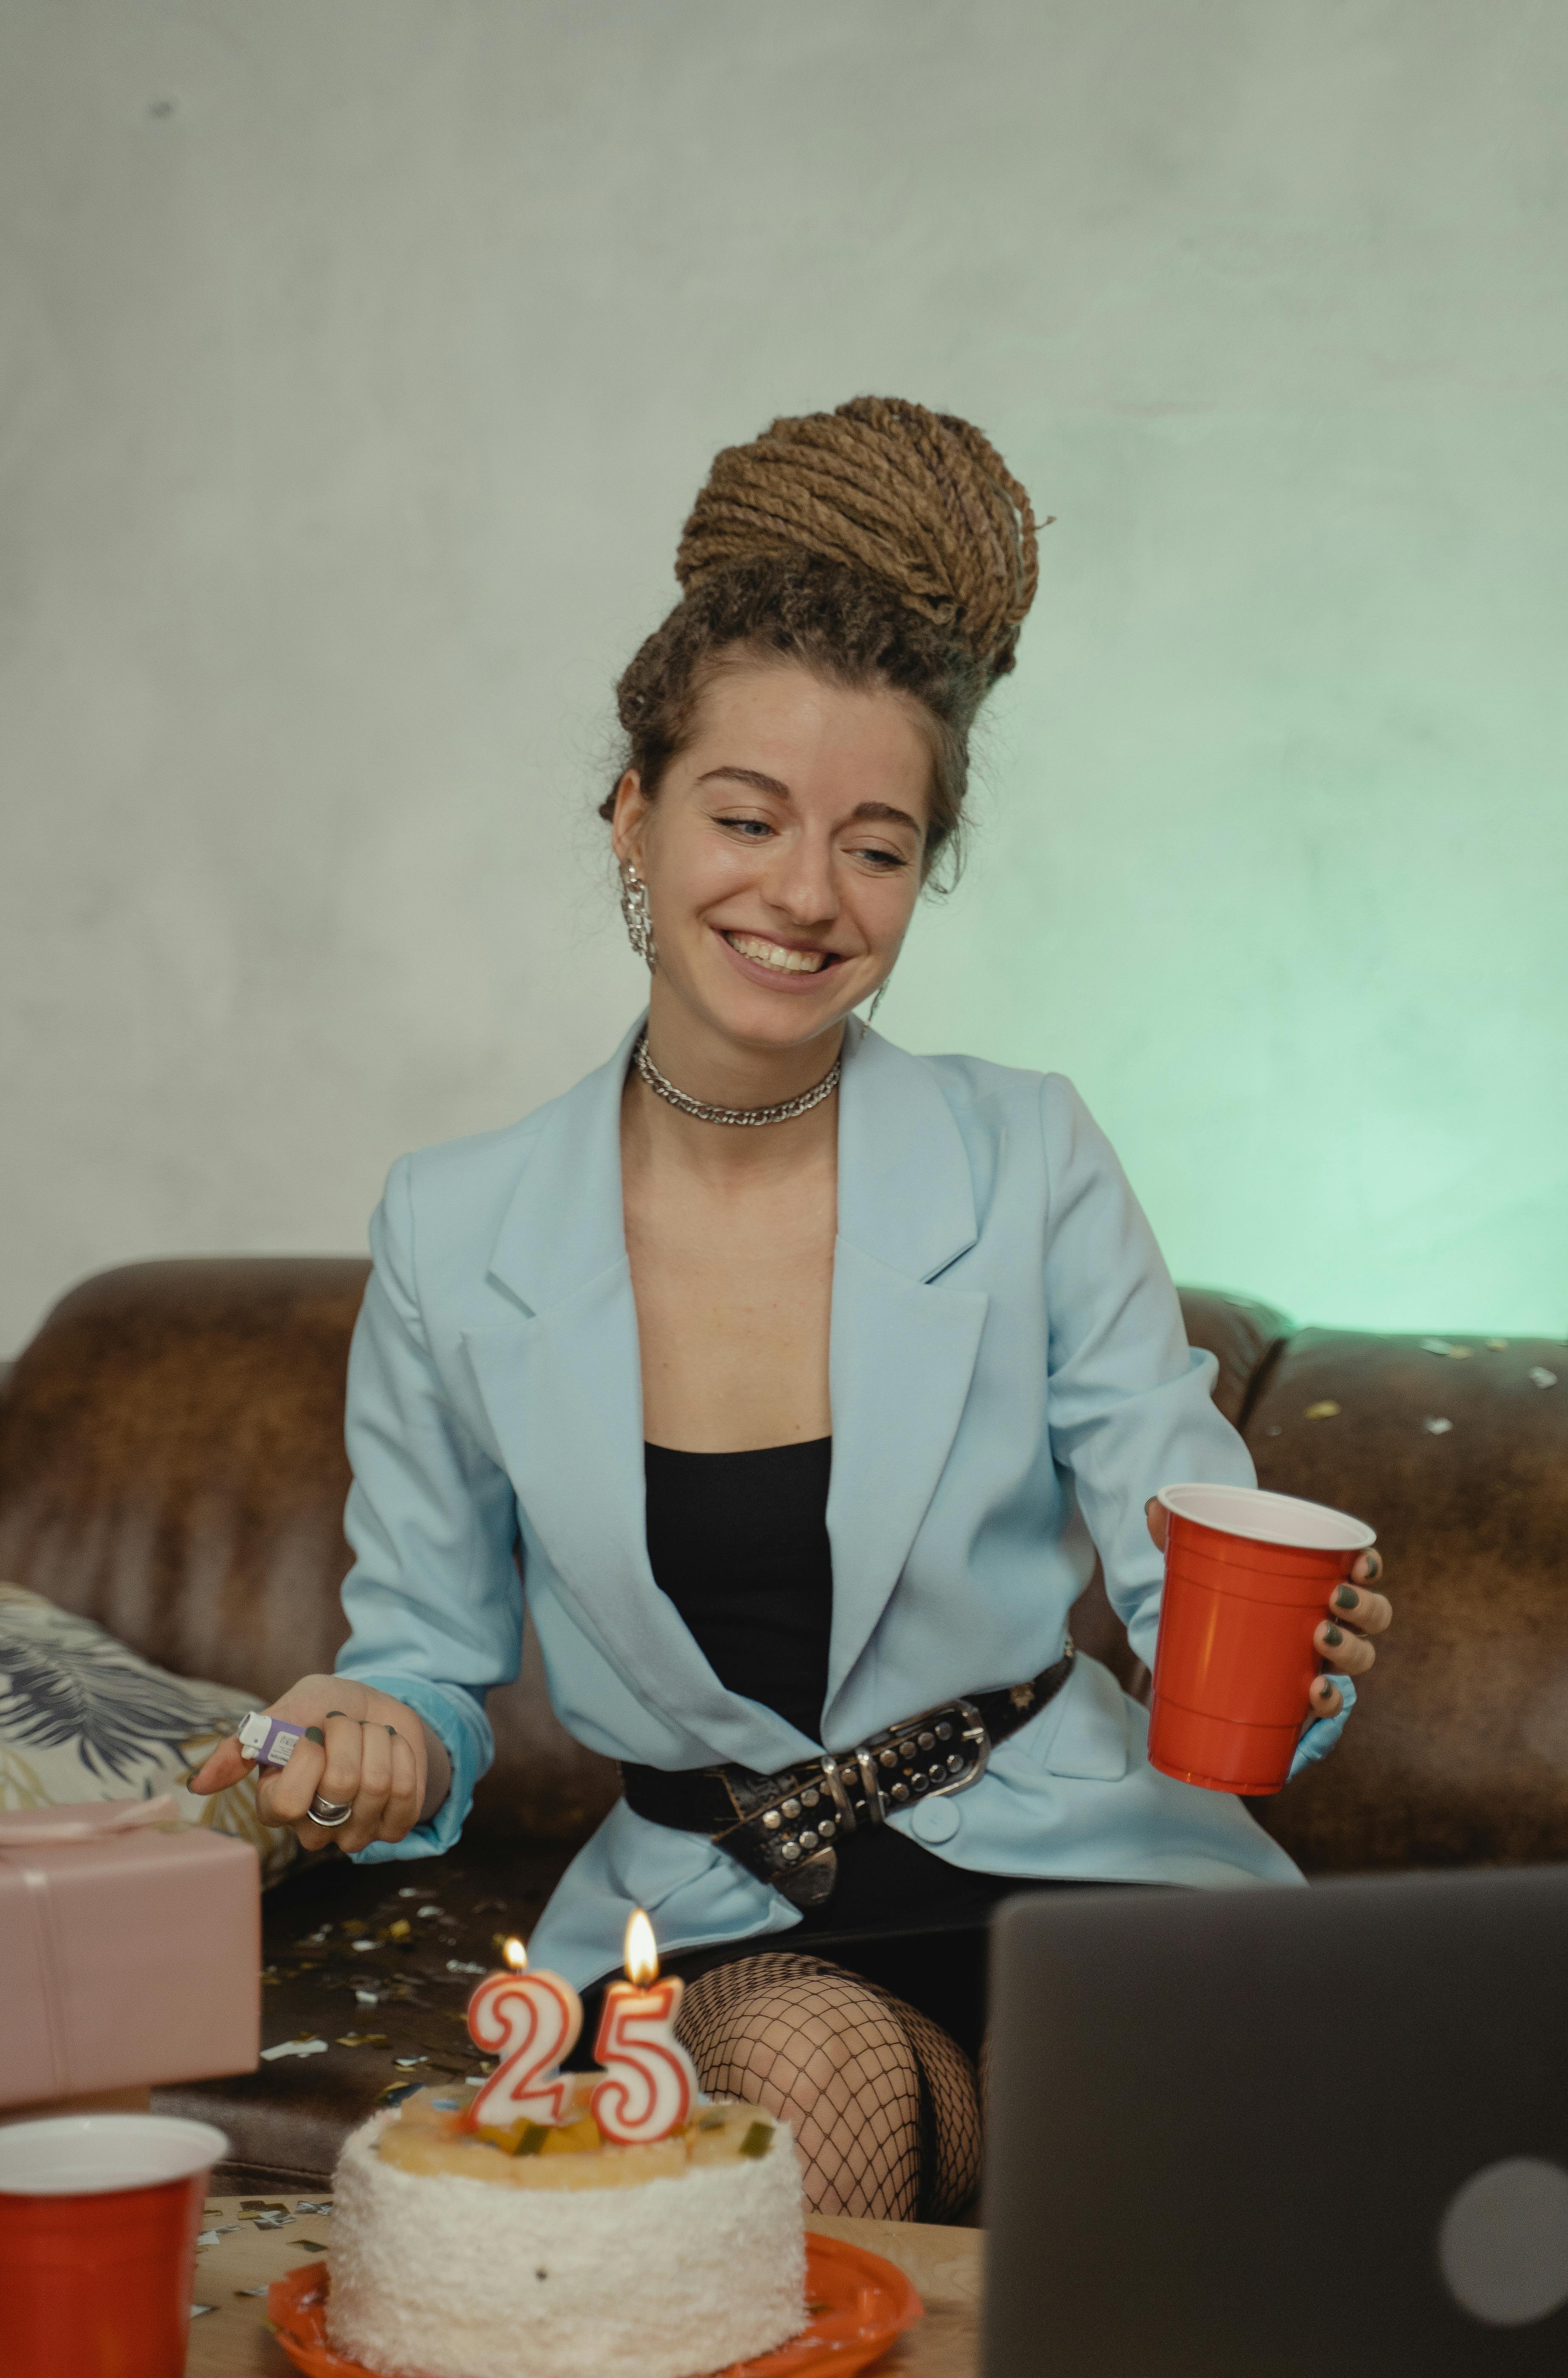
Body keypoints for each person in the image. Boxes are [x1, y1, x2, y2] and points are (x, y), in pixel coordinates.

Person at [195, 396, 1391, 2220]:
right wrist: (355, 1749)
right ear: (631, 815)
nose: (805, 897)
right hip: (726, 1926)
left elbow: (1188, 1566)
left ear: (921, 875)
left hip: (1086, 1883)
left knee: (1244, 2152)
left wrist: (1293, 1668)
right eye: (746, 816)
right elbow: (422, 1666)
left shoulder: (1029, 1156)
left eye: (878, 846)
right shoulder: (454, 1232)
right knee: (800, 2072)